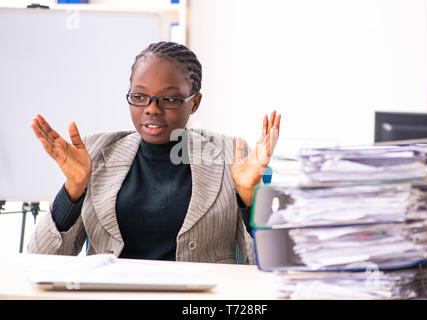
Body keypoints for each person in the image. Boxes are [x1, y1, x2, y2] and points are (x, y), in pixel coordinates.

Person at [28, 41, 281, 264]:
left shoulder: (229, 154)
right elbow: (39, 259)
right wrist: (72, 190)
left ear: (194, 102)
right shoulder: (96, 152)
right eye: (139, 96)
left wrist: (250, 199)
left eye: (169, 100)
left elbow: (271, 263)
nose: (151, 109)